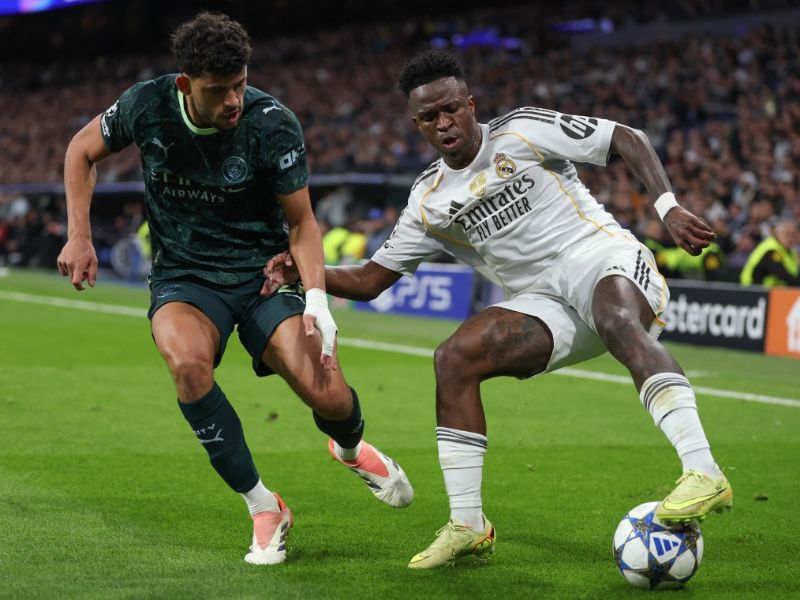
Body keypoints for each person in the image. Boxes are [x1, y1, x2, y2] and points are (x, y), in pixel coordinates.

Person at [265, 49, 732, 569]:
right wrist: (306, 274)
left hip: (601, 258)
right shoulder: (429, 199)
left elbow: (626, 137)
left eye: (451, 109)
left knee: (618, 318)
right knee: (454, 357)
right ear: (416, 124)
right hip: (543, 303)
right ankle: (468, 523)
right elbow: (374, 279)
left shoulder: (523, 131)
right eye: (429, 117)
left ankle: (703, 470)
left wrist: (667, 208)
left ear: (470, 104)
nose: (444, 124)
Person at [56, 12, 412, 566]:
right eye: (218, 90)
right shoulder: (146, 105)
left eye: (240, 85)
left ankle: (347, 448)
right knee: (188, 366)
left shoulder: (273, 123)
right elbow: (81, 151)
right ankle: (264, 506)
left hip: (264, 275)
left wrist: (317, 299)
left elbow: (302, 224)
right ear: (185, 85)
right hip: (185, 279)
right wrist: (79, 236)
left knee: (329, 395)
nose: (233, 101)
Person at [740, 219, 800, 287]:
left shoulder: (791, 252)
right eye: (787, 234)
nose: (791, 238)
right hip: (753, 289)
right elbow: (781, 273)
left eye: (794, 235)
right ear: (777, 233)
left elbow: (794, 272)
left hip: (776, 291)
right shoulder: (771, 249)